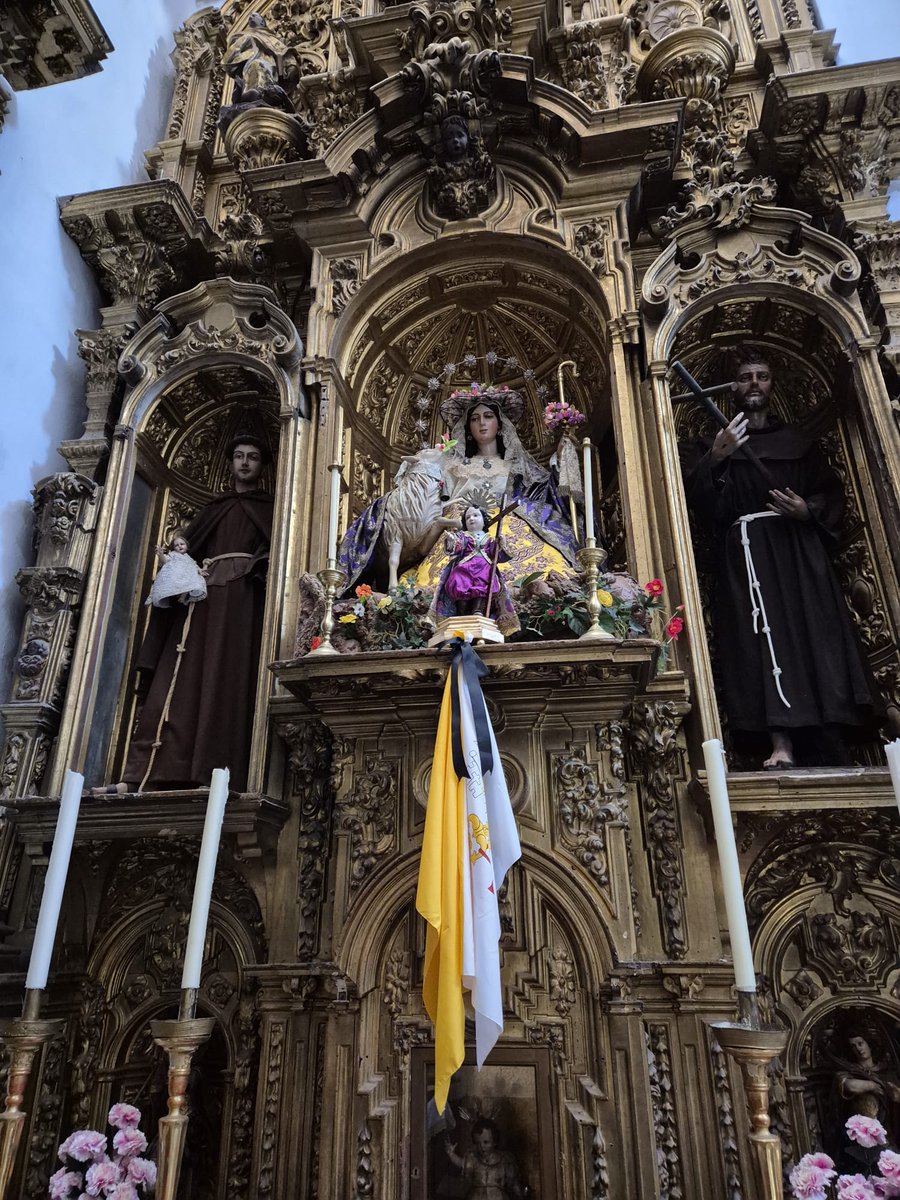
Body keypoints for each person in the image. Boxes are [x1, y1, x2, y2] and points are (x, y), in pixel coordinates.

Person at [682, 352, 875, 768]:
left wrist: (808, 510)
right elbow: (699, 505)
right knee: (760, 642)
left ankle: (831, 736)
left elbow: (831, 490)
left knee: (815, 635)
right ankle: (780, 742)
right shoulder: (714, 442)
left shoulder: (799, 442)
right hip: (748, 553)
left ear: (772, 384)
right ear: (733, 387)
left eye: (762, 376)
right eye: (746, 377)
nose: (754, 383)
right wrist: (716, 458)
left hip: (798, 552)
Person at [122, 436, 273, 792]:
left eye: (253, 457)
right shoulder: (215, 507)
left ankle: (216, 770)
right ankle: (157, 770)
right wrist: (180, 567)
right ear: (230, 463)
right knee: (186, 674)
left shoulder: (268, 507)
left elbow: (272, 547)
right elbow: (190, 545)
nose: (245, 463)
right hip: (205, 600)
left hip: (242, 601)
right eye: (238, 456)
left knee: (228, 675)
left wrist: (254, 567)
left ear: (263, 465)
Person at [340, 382, 580, 594]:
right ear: (467, 427)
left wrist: (561, 457)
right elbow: (421, 490)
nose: (482, 423)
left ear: (500, 422)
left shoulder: (517, 465)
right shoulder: (451, 464)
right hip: (459, 524)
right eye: (475, 419)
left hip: (506, 520)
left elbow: (541, 492)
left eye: (488, 416)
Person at [429, 504, 519, 634]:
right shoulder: (464, 536)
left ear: (484, 519)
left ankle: (478, 610)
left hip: (484, 568)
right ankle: (461, 612)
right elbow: (457, 547)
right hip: (464, 568)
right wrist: (451, 540)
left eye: (476, 515)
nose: (471, 519)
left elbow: (497, 555)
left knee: (484, 585)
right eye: (468, 517)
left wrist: (500, 544)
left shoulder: (489, 539)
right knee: (458, 582)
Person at [444, 1118, 526, 1200]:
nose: (482, 1147)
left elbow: (514, 1185)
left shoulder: (505, 1160)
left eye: (486, 1142)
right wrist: (451, 1154)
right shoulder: (473, 1158)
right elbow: (461, 1163)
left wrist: (521, 1196)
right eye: (477, 1143)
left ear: (494, 1141)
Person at [145, 535, 207, 609]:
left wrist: (200, 570)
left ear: (187, 546)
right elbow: (164, 560)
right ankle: (156, 596)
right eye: (176, 545)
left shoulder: (188, 557)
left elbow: (194, 566)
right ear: (174, 548)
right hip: (175, 575)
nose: (179, 546)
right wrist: (161, 554)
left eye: (182, 544)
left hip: (185, 577)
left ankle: (183, 596)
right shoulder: (173, 554)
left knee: (194, 580)